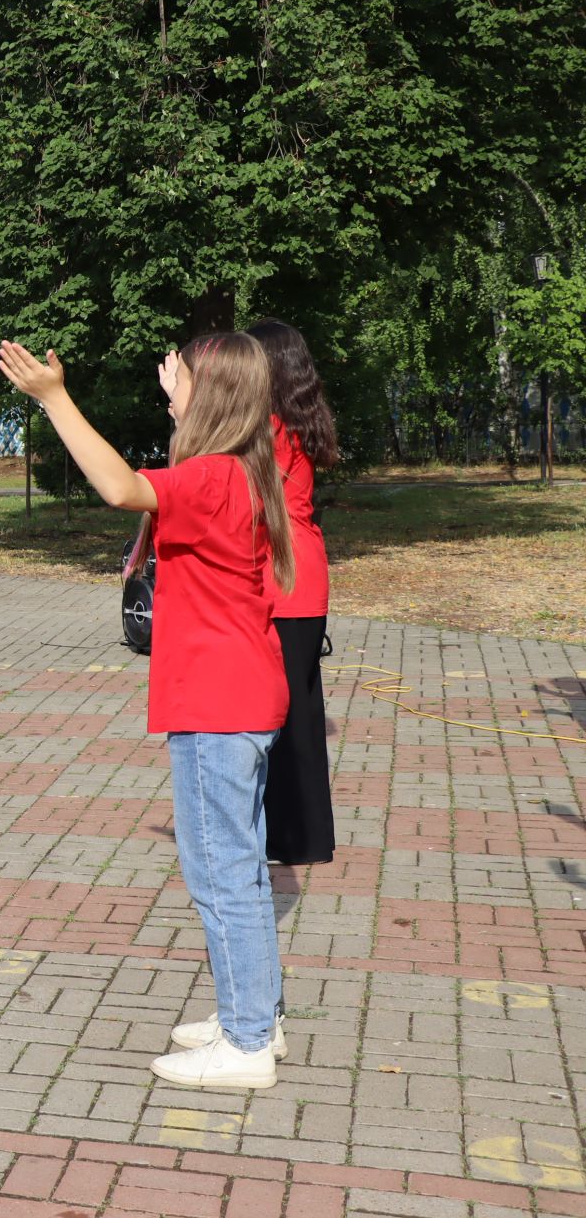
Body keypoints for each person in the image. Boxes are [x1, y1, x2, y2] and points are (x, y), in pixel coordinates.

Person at [0, 332, 292, 1091]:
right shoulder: (236, 470)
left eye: (181, 380)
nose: (171, 386)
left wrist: (53, 398)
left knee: (220, 873)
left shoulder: (212, 478)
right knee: (243, 870)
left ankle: (248, 1040)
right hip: (240, 696)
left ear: (213, 395)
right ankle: (252, 1014)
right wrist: (180, 403)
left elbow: (122, 488)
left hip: (217, 704)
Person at [248, 320, 339, 867]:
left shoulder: (273, 430)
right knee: (301, 714)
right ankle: (307, 837)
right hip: (307, 577)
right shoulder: (302, 422)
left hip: (281, 581)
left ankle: (287, 837)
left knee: (275, 718)